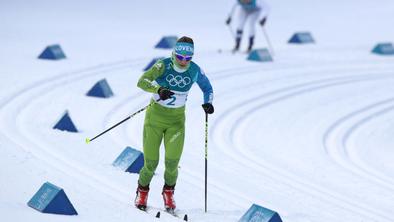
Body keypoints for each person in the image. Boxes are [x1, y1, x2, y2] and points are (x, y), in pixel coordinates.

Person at [134, 36, 214, 211]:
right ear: (173, 54)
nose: (183, 62)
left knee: (172, 163)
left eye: (188, 58)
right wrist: (158, 89)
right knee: (151, 163)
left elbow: (207, 88)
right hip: (154, 120)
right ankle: (142, 191)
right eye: (180, 57)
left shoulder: (194, 70)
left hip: (176, 122)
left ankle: (168, 193)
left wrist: (208, 102)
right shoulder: (163, 65)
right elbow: (142, 81)